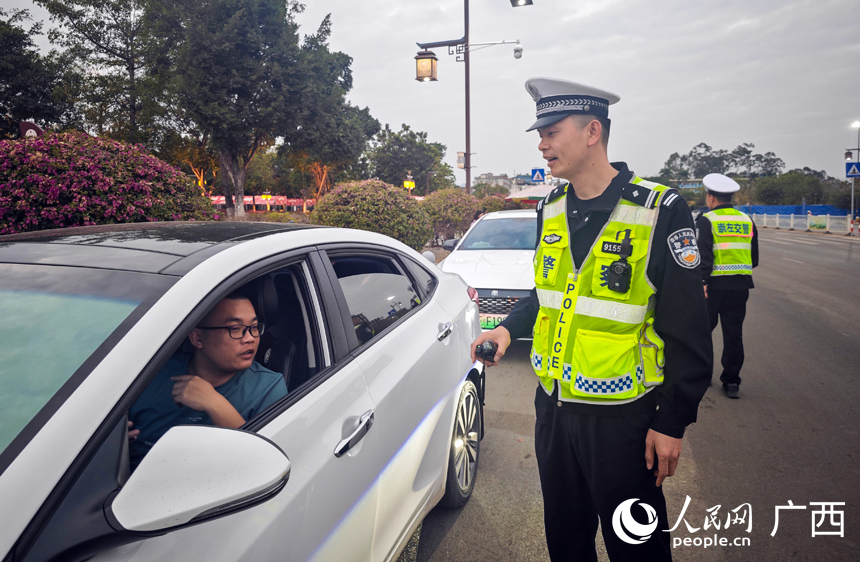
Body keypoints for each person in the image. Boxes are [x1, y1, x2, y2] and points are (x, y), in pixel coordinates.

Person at [471, 78, 712, 561]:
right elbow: (551, 295)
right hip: (554, 410)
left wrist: (672, 421)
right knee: (565, 537)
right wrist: (506, 328)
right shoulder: (551, 207)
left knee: (635, 547)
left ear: (592, 132)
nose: (542, 144)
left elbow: (687, 326)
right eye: (540, 134)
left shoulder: (659, 209)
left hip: (623, 420)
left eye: (552, 132)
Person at [128, 291, 288, 469]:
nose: (250, 338)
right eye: (235, 329)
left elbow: (266, 464)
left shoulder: (268, 387)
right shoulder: (151, 374)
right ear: (198, 338)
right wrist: (115, 443)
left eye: (255, 327)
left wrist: (215, 404)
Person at [695, 173, 758, 399]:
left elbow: (701, 256)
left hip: (712, 287)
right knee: (734, 334)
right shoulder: (746, 220)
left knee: (703, 332)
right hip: (740, 286)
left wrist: (701, 282)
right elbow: (755, 258)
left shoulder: (706, 220)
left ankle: (703, 376)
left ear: (711, 197)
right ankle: (731, 382)